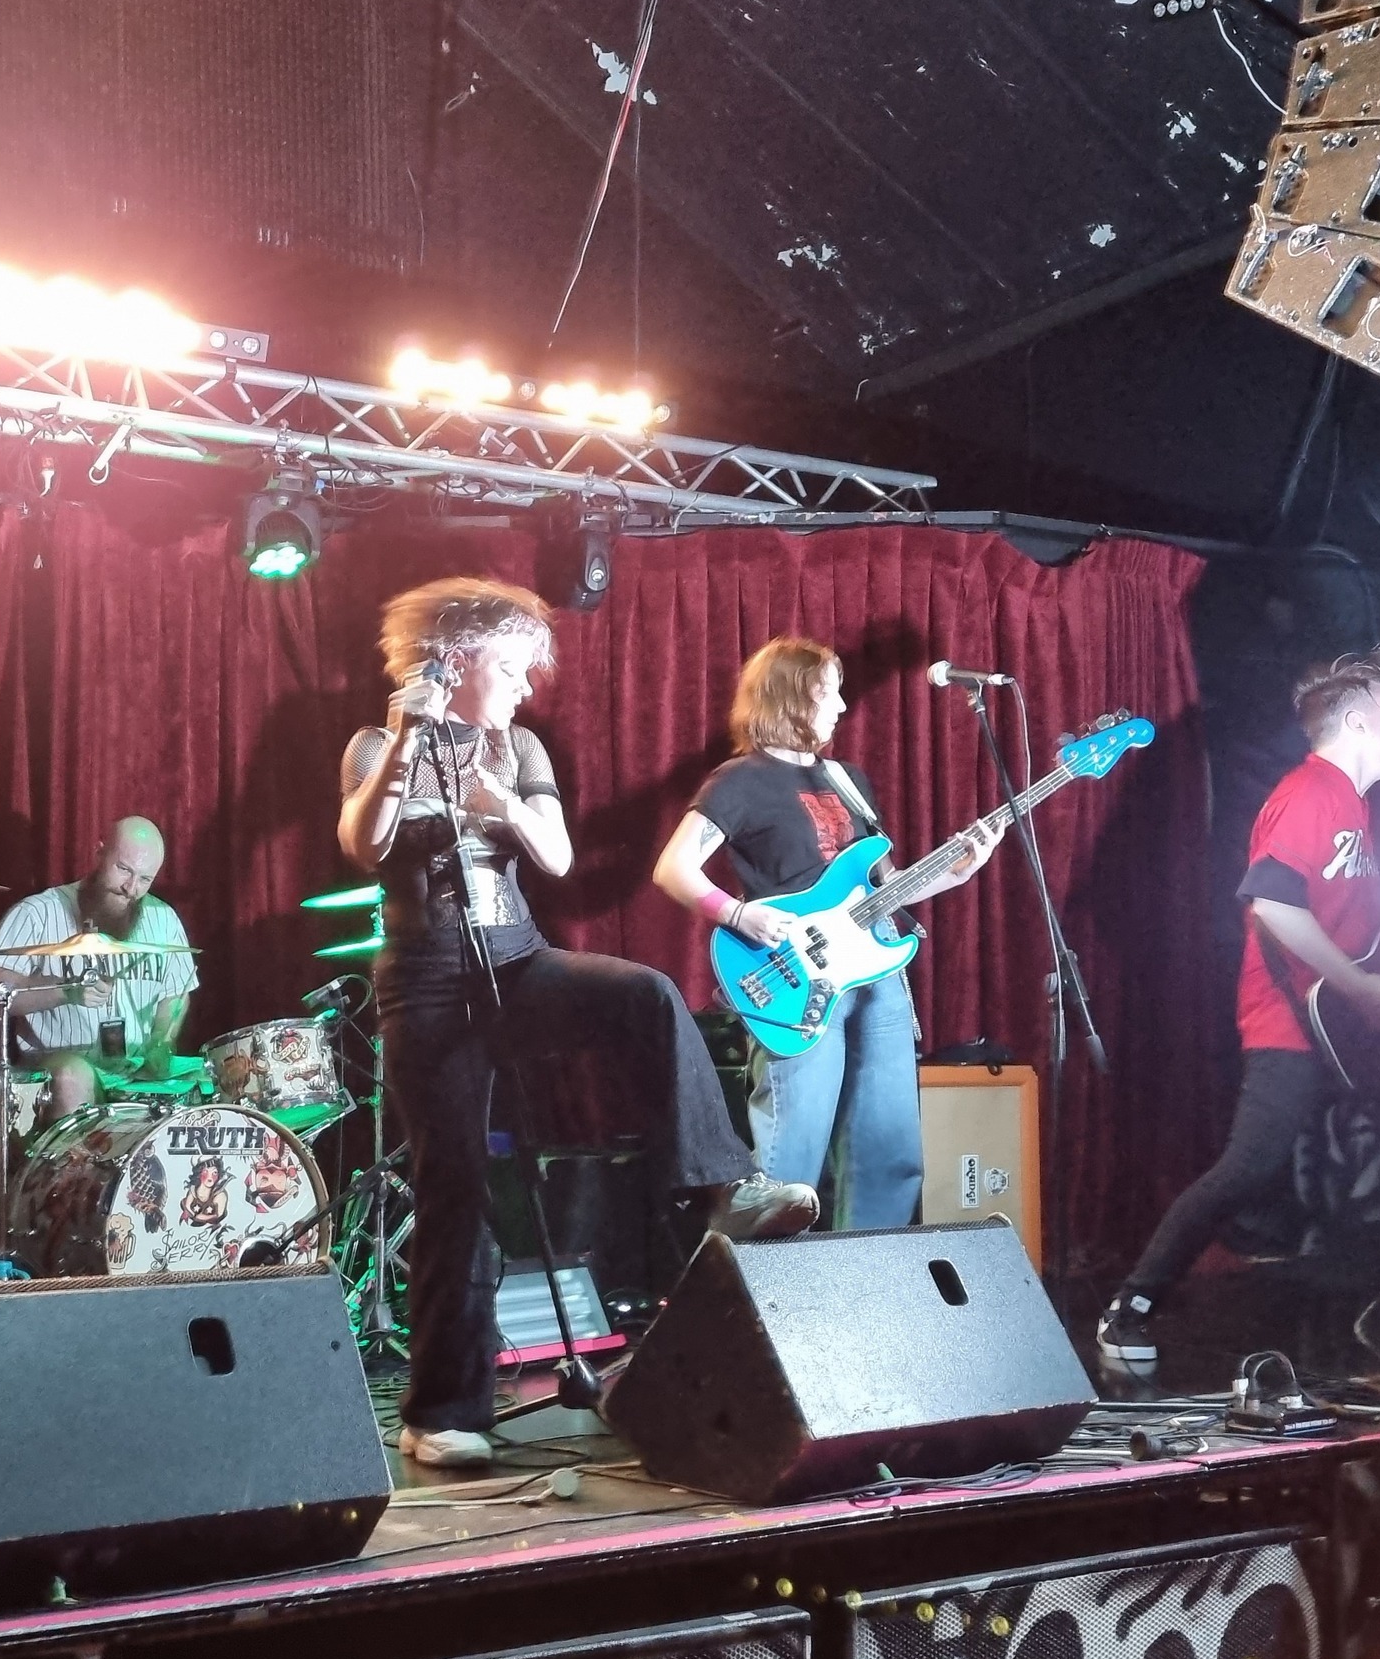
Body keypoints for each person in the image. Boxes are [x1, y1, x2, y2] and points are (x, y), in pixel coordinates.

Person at [338, 578, 816, 1472]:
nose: (526, 686)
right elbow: (364, 843)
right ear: (456, 659)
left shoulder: (518, 746)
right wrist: (407, 740)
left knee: (646, 994)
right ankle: (441, 1413)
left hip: (519, 960)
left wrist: (504, 806)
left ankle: (725, 1186)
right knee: (456, 1185)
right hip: (428, 981)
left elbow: (556, 856)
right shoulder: (376, 742)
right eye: (512, 667)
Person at [1094, 651, 1380, 1374]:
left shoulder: (1352, 804)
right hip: (1289, 1021)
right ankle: (1131, 1308)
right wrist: (1360, 988)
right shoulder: (1310, 793)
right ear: (1356, 722)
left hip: (1336, 1025)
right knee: (1249, 1165)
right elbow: (1271, 903)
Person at [651, 636, 1001, 1229]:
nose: (841, 706)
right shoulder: (739, 781)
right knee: (793, 1156)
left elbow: (885, 889)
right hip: (795, 975)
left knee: (891, 1154)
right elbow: (673, 868)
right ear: (789, 695)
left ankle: (873, 1278)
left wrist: (958, 871)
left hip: (876, 974)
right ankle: (768, 1281)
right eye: (828, 692)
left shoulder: (847, 779)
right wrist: (736, 913)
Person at [0, 817, 198, 1116]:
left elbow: (176, 993)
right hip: (56, 1066)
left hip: (135, 1073)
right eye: (124, 869)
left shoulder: (164, 919)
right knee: (72, 1076)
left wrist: (162, 1041)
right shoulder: (39, 913)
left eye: (145, 879)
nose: (131, 888)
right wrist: (65, 991)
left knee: (211, 1077)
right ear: (99, 853)